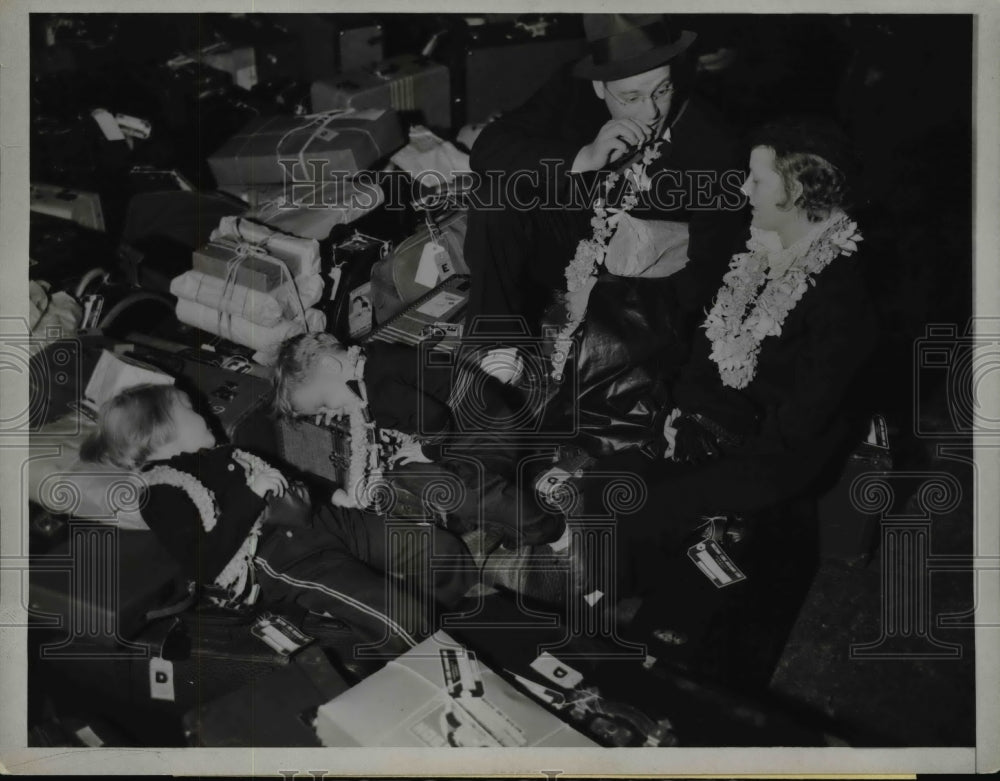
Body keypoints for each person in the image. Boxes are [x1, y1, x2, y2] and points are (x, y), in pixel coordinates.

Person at [587, 116, 879, 598]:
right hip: (716, 418)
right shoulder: (759, 245)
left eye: (758, 180)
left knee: (644, 511)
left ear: (800, 190)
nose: (743, 189)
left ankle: (624, 614)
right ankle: (604, 590)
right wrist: (678, 417)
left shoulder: (845, 293)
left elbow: (801, 423)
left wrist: (708, 460)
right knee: (603, 487)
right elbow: (709, 342)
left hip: (776, 451)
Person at [461, 13, 748, 457]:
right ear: (600, 88)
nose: (651, 111)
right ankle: (498, 345)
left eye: (663, 90)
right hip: (574, 245)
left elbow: (711, 272)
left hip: (642, 291)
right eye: (630, 97)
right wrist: (581, 157)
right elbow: (489, 149)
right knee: (496, 197)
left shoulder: (715, 143)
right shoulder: (575, 90)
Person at [80, 383, 477, 656]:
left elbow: (288, 480)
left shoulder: (223, 454)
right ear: (161, 433)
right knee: (401, 618)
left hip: (325, 520)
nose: (202, 412)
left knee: (441, 550)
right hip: (283, 556)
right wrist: (253, 497)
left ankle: (438, 617)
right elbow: (203, 562)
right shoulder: (161, 491)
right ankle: (429, 661)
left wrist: (330, 494)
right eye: (189, 410)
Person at [271, 332, 567, 549]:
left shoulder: (379, 388)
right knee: (421, 473)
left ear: (330, 367)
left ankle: (548, 527)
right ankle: (500, 518)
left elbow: (434, 418)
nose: (330, 412)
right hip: (484, 414)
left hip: (487, 427)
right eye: (323, 411)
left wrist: (427, 450)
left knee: (468, 491)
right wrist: (336, 405)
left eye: (324, 403)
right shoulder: (369, 360)